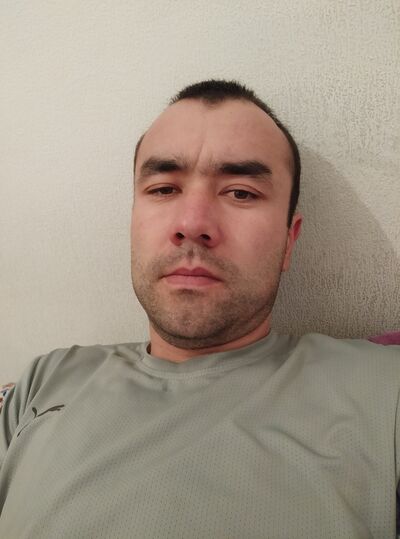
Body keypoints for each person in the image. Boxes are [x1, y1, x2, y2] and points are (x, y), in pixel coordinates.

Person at [0, 80, 399, 538]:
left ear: (289, 241)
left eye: (241, 192)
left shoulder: (384, 389)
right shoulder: (46, 378)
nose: (192, 224)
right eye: (163, 188)